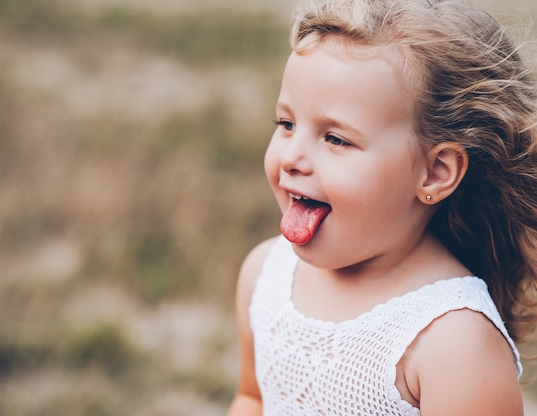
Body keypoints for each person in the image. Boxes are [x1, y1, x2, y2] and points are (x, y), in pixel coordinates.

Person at [227, 0, 537, 414]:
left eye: (336, 139)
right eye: (286, 124)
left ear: (435, 172)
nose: (291, 157)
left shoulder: (453, 342)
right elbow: (252, 397)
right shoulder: (264, 275)